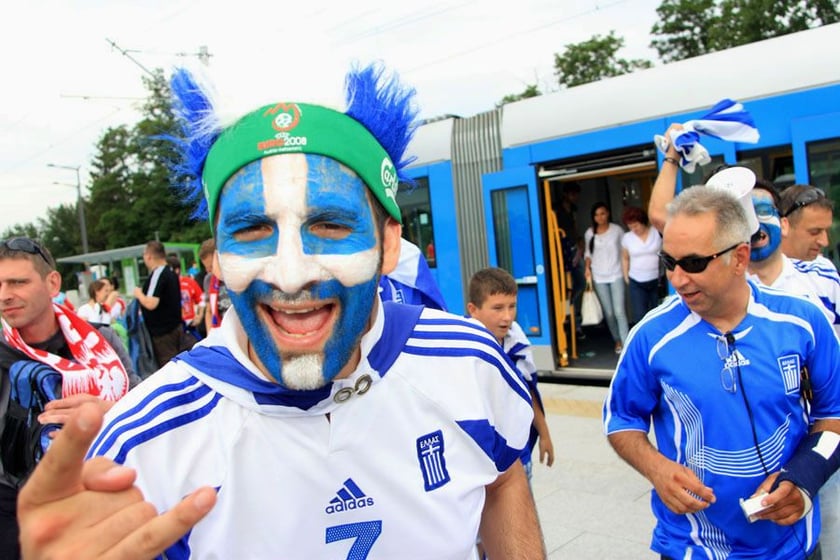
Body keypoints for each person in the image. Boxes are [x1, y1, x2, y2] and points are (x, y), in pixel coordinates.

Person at [17, 64, 544, 559]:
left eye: (331, 225)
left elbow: (503, 478)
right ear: (219, 259)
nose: (291, 276)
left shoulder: (468, 361)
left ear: (388, 247)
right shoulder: (143, 444)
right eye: (252, 230)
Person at [604, 186, 840, 559]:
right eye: (669, 262)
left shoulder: (803, 321)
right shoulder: (650, 338)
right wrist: (657, 469)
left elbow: (834, 415)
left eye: (695, 263)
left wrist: (806, 477)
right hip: (693, 548)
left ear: (740, 257)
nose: (678, 279)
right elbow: (620, 420)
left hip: (794, 546)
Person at [0, 237, 136, 559]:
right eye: (0, 284)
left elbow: (144, 403)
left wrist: (109, 411)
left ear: (52, 283)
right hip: (16, 505)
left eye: (18, 282)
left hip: (103, 490)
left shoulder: (101, 342)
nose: (5, 295)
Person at [467, 267, 555, 481]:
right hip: (482, 460)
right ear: (473, 309)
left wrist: (544, 434)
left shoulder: (517, 342)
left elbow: (527, 392)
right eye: (497, 308)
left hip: (518, 453)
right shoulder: (463, 348)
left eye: (512, 306)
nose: (507, 317)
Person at [133, 241, 191, 368]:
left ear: (149, 256)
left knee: (169, 367)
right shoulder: (170, 271)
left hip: (163, 332)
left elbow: (151, 303)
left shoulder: (158, 273)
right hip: (174, 327)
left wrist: (138, 294)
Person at [584, 201, 629, 353]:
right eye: (596, 215)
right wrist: (587, 269)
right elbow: (588, 254)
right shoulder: (590, 233)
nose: (600, 217)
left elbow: (625, 250)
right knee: (609, 313)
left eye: (602, 213)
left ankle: (626, 342)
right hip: (598, 276)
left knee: (619, 311)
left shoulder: (617, 230)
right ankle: (617, 340)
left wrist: (626, 271)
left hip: (616, 273)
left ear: (608, 213)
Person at [620, 206, 662, 324]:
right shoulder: (627, 238)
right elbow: (625, 258)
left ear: (643, 222)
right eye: (630, 226)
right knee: (640, 315)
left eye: (636, 225)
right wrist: (626, 276)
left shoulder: (656, 233)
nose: (634, 229)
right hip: (636, 281)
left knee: (657, 313)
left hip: (655, 280)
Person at [779, 184, 835, 263]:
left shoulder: (824, 267)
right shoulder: (760, 272)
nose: (825, 242)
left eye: (827, 231)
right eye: (814, 232)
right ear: (783, 226)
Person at [165, 254, 204, 343]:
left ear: (177, 270)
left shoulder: (188, 282)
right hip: (172, 327)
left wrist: (199, 316)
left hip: (190, 325)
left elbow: (201, 299)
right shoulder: (164, 286)